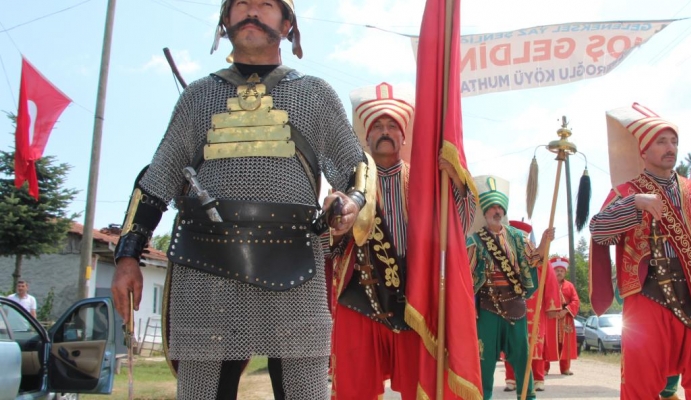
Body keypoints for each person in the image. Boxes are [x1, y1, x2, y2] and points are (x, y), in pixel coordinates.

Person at [110, 1, 368, 398]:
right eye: (242, 5)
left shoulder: (314, 95)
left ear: (287, 25)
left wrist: (350, 202)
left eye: (264, 5)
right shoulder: (197, 98)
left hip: (293, 259)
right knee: (203, 390)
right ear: (224, 21)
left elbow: (356, 170)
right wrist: (128, 255)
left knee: (302, 388)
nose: (251, 13)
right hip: (206, 262)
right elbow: (156, 181)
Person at [589, 103, 691, 399]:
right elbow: (599, 230)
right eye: (661, 141)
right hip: (649, 297)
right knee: (640, 386)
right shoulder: (626, 192)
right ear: (643, 152)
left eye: (673, 141)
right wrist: (633, 204)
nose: (670, 147)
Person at [329, 83, 475, 399]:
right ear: (365, 138)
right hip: (360, 297)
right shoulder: (349, 182)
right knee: (354, 391)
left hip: (414, 301)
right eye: (377, 126)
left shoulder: (424, 180)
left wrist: (456, 182)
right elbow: (331, 242)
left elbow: (458, 229)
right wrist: (336, 223)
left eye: (392, 126)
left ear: (403, 137)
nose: (385, 132)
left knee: (422, 389)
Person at [466, 176, 555, 400]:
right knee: (484, 361)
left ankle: (527, 396)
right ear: (485, 211)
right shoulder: (474, 241)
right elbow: (466, 275)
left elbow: (534, 260)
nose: (496, 211)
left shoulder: (518, 237)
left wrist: (544, 243)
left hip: (516, 306)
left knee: (522, 357)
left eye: (499, 207)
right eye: (492, 207)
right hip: (488, 306)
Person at [502, 221, 561, 392]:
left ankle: (538, 378)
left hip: (534, 305)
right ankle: (511, 378)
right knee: (511, 342)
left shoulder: (534, 256)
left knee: (536, 342)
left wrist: (544, 241)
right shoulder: (504, 254)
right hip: (510, 303)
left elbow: (548, 279)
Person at [547, 256, 579, 376]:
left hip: (566, 317)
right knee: (548, 342)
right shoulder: (547, 284)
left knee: (566, 344)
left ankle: (565, 368)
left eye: (562, 271)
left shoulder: (569, 286)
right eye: (557, 270)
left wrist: (565, 311)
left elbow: (575, 301)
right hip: (551, 317)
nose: (559, 273)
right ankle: (545, 368)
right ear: (553, 271)